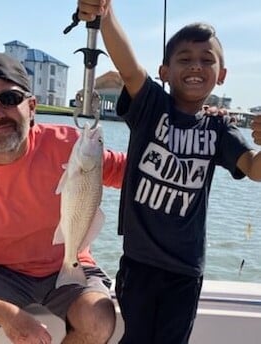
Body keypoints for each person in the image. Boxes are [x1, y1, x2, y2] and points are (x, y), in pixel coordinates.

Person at [78, 1, 261, 343]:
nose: (196, 66)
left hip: (185, 272)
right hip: (139, 264)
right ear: (164, 71)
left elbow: (253, 168)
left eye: (207, 60)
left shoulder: (220, 129)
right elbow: (129, 68)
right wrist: (105, 12)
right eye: (185, 58)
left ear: (221, 75)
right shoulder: (151, 107)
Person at [0, 52, 126, 344]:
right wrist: (6, 314)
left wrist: (187, 118)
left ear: (31, 107)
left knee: (97, 316)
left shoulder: (73, 147)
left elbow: (135, 172)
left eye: (9, 99)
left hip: (68, 265)